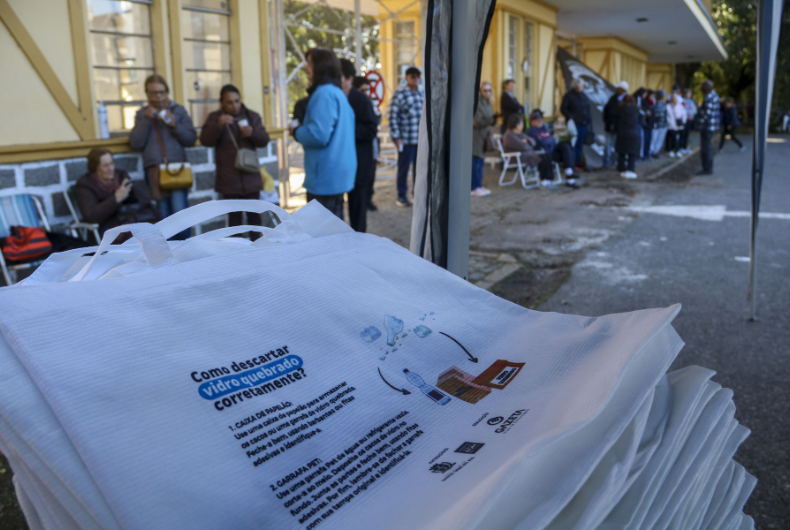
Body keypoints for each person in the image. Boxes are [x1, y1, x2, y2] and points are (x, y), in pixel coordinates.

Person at [288, 48, 356, 219]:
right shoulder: (336, 92)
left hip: (326, 175)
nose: (306, 68)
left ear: (321, 66)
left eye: (309, 63)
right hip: (335, 173)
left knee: (324, 236)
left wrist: (296, 131)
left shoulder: (323, 94)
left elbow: (318, 135)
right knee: (333, 230)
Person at [129, 74, 196, 240]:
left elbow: (191, 139)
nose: (158, 97)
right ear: (147, 94)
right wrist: (146, 121)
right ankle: (169, 257)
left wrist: (175, 125)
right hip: (154, 172)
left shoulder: (178, 111)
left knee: (180, 213)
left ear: (167, 92)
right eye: (153, 93)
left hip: (176, 170)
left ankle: (186, 252)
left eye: (161, 92)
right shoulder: (142, 114)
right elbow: (135, 143)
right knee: (163, 217)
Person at [199, 84, 270, 236]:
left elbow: (264, 140)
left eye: (237, 101)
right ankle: (237, 254)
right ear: (222, 102)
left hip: (251, 177)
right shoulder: (215, 117)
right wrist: (218, 125)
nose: (234, 105)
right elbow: (205, 140)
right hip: (228, 179)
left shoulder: (252, 116)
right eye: (229, 102)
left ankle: (259, 251)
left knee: (255, 219)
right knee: (234, 221)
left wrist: (253, 132)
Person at [75, 148, 159, 237]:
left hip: (129, 219)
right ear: (95, 168)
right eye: (105, 166)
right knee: (136, 235)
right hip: (108, 228)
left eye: (111, 163)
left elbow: (140, 201)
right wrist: (116, 199)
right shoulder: (86, 185)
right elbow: (91, 216)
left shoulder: (121, 176)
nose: (111, 168)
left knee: (157, 228)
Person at [340, 59, 378, 232]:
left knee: (358, 218)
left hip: (359, 167)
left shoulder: (361, 100)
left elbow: (371, 130)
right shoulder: (334, 98)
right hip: (338, 168)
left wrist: (347, 128)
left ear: (348, 78)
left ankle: (359, 250)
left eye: (337, 76)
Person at [388, 66, 424, 207]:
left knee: (420, 169)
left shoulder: (421, 93)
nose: (415, 79)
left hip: (420, 140)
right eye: (412, 76)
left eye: (417, 76)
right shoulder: (400, 94)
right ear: (406, 78)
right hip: (406, 140)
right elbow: (393, 116)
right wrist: (396, 137)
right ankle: (401, 195)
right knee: (403, 168)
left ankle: (418, 194)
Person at [353, 76, 382, 212]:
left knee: (371, 175)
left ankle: (368, 199)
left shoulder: (369, 103)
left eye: (367, 90)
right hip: (360, 151)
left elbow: (375, 128)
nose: (365, 94)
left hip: (372, 147)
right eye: (362, 90)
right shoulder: (356, 104)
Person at [526, 111, 576, 181]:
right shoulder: (531, 131)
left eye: (541, 119)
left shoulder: (544, 128)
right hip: (543, 153)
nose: (540, 121)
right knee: (546, 156)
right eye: (537, 119)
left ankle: (569, 171)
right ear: (532, 121)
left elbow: (552, 140)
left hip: (552, 150)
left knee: (566, 146)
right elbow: (542, 142)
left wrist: (547, 141)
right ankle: (547, 180)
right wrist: (548, 140)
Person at [560, 79, 592, 169]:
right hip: (574, 125)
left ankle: (577, 163)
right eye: (582, 85)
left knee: (580, 144)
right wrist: (570, 116)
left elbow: (587, 108)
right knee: (573, 144)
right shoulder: (569, 96)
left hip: (584, 123)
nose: (583, 87)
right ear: (577, 86)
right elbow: (563, 108)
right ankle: (570, 164)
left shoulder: (583, 95)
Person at [472, 82, 496, 197]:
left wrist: (494, 119)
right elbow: (477, 122)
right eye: (485, 90)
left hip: (484, 135)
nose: (487, 93)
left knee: (481, 162)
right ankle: (474, 186)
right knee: (476, 162)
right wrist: (490, 120)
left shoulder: (488, 102)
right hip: (476, 135)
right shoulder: (478, 103)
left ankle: (478, 185)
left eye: (489, 90)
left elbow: (490, 118)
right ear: (480, 91)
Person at [615, 95, 644, 179]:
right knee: (632, 152)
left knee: (621, 151)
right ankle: (630, 169)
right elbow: (641, 119)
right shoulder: (637, 109)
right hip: (634, 132)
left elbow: (614, 118)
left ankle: (621, 169)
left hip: (622, 132)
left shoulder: (620, 109)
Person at [696, 80, 720, 175]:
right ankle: (707, 167)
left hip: (707, 126)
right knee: (707, 147)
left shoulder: (710, 97)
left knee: (706, 148)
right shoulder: (713, 95)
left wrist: (699, 120)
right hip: (709, 126)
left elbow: (706, 113)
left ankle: (707, 168)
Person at [603, 81, 629, 167]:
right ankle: (606, 162)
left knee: (620, 145)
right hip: (611, 126)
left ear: (622, 90)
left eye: (618, 88)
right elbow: (606, 110)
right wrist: (607, 121)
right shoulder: (612, 98)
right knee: (608, 144)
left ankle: (619, 162)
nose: (616, 89)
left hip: (621, 127)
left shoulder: (628, 100)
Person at [666, 93, 687, 158]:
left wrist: (683, 122)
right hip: (672, 125)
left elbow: (684, 114)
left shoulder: (680, 106)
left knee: (678, 138)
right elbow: (667, 116)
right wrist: (670, 122)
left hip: (679, 125)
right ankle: (671, 149)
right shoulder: (668, 106)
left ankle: (677, 149)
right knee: (672, 138)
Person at [650, 89, 668, 158]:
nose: (662, 97)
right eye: (660, 96)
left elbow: (666, 113)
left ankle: (656, 151)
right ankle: (651, 151)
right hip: (656, 124)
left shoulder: (664, 103)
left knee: (660, 138)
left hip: (663, 124)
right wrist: (657, 116)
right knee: (653, 138)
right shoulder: (654, 102)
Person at [679, 88, 697, 155]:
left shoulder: (691, 101)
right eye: (688, 93)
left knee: (687, 134)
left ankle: (685, 146)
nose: (689, 95)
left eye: (690, 94)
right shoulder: (683, 101)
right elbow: (683, 110)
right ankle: (681, 147)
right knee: (683, 134)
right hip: (685, 119)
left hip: (690, 119)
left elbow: (694, 110)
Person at [641, 89, 655, 160]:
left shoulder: (652, 102)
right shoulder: (644, 102)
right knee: (645, 140)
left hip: (650, 125)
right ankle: (644, 155)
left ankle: (647, 154)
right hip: (646, 125)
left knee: (649, 140)